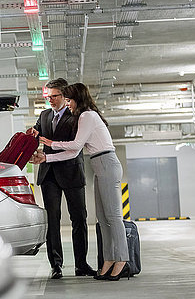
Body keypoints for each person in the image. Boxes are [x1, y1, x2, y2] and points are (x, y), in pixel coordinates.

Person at [33, 82, 130, 281]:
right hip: (95, 165)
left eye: (66, 99)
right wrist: (46, 156)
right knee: (103, 219)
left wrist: (51, 144)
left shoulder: (84, 116)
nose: (66, 103)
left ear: (73, 97)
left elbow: (75, 146)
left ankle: (120, 260)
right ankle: (108, 261)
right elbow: (73, 149)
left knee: (111, 218)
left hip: (99, 165)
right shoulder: (51, 116)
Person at [26, 78, 95, 279]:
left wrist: (51, 146)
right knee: (53, 220)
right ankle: (56, 265)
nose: (51, 100)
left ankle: (81, 264)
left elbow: (76, 145)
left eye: (55, 96)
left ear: (65, 97)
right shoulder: (45, 115)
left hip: (71, 171)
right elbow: (37, 134)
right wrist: (32, 136)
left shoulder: (76, 116)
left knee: (79, 219)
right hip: (49, 174)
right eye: (48, 97)